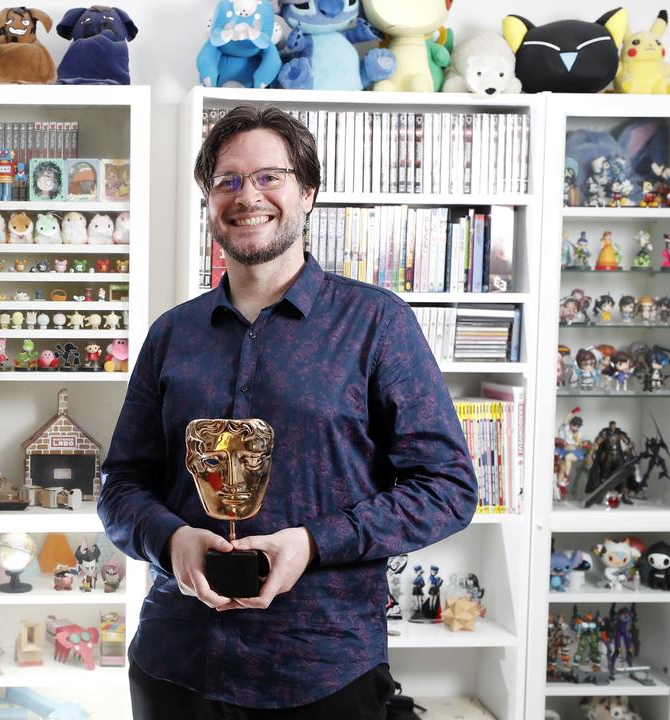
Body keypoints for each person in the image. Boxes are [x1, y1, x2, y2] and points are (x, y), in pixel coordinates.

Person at [97, 105, 477, 719]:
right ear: (209, 199)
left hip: (325, 668)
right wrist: (172, 541)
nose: (248, 196)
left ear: (307, 192)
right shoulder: (172, 335)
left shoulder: (377, 324)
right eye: (227, 181)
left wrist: (313, 542)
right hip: (177, 662)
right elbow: (121, 487)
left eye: (269, 176)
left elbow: (448, 488)